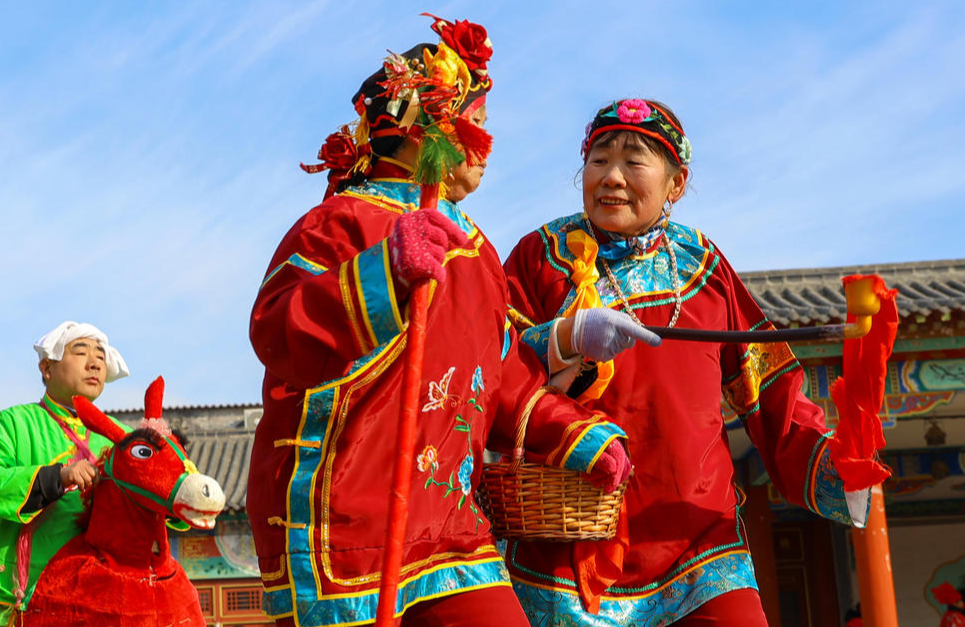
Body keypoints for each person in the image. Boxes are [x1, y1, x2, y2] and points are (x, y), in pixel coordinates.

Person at [248, 16, 643, 627]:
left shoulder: (478, 252)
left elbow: (503, 373)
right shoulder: (341, 223)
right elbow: (276, 331)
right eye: (477, 123)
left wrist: (575, 438)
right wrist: (384, 272)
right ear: (423, 128)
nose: (487, 141)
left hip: (452, 519)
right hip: (345, 514)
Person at [502, 98, 871, 625]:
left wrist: (836, 464)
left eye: (633, 161)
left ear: (676, 184)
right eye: (598, 160)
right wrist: (564, 337)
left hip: (698, 542)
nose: (611, 177)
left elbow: (770, 390)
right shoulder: (540, 257)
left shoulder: (705, 266)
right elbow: (490, 367)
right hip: (565, 539)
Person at [0, 321, 129, 627]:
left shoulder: (121, 438)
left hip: (97, 595)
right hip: (20, 596)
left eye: (100, 356)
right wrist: (57, 478)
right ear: (47, 368)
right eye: (81, 353)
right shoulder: (13, 423)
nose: (95, 362)